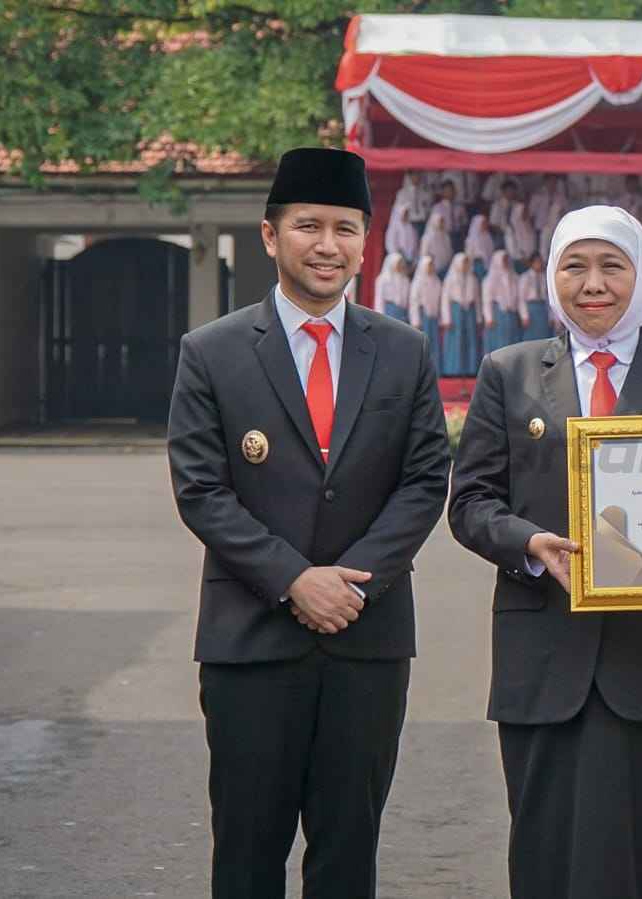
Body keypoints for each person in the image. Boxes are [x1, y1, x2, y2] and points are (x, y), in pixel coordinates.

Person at [167, 147, 451, 899]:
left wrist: (352, 584)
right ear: (270, 235)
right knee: (246, 853)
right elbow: (201, 489)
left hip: (367, 641)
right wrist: (294, 578)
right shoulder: (212, 352)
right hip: (251, 643)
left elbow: (426, 480)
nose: (328, 245)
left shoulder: (403, 351)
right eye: (308, 226)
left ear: (365, 240)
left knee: (348, 852)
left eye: (345, 229)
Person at [447, 205, 642, 899]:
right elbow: (471, 502)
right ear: (551, 275)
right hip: (544, 655)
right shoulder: (508, 371)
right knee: (545, 852)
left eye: (612, 266)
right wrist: (528, 543)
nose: (593, 284)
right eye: (574, 266)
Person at [440, 252, 481, 377]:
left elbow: (477, 299)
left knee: (470, 339)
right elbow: (445, 299)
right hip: (455, 311)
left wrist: (479, 317)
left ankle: (470, 369)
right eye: (463, 263)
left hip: (470, 312)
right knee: (456, 339)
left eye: (467, 263)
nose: (465, 265)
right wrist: (446, 319)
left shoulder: (472, 278)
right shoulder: (450, 279)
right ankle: (454, 370)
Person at [482, 249, 523, 355]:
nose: (506, 262)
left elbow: (519, 298)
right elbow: (487, 300)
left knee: (512, 341)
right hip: (498, 314)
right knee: (499, 342)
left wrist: (523, 315)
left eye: (507, 260)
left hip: (511, 313)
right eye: (503, 260)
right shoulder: (490, 279)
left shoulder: (514, 277)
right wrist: (489, 318)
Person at [409, 256, 443, 371]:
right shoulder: (418, 282)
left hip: (434, 316)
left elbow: (440, 300)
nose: (431, 268)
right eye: (429, 265)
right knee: (422, 343)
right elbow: (414, 302)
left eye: (432, 265)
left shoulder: (436, 281)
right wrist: (415, 320)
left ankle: (435, 369)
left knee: (434, 343)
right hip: (422, 316)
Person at [517, 253, 553, 342]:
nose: (539, 264)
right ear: (531, 263)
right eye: (537, 262)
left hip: (542, 308)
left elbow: (548, 297)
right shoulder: (525, 277)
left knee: (543, 335)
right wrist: (524, 316)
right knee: (531, 336)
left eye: (540, 262)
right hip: (531, 308)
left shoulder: (544, 277)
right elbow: (521, 298)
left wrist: (551, 316)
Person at [375, 252, 412, 324]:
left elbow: (408, 300)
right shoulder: (383, 279)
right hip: (388, 311)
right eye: (398, 263)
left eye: (401, 263)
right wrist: (379, 316)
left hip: (402, 313)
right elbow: (379, 299)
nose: (400, 265)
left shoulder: (405, 280)